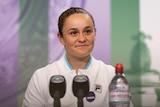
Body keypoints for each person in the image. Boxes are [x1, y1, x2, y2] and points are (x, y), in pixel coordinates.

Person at [22, 7, 133, 107]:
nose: (82, 39)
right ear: (60, 38)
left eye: (87, 31)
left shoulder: (111, 75)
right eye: (74, 33)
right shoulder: (42, 77)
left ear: (95, 34)